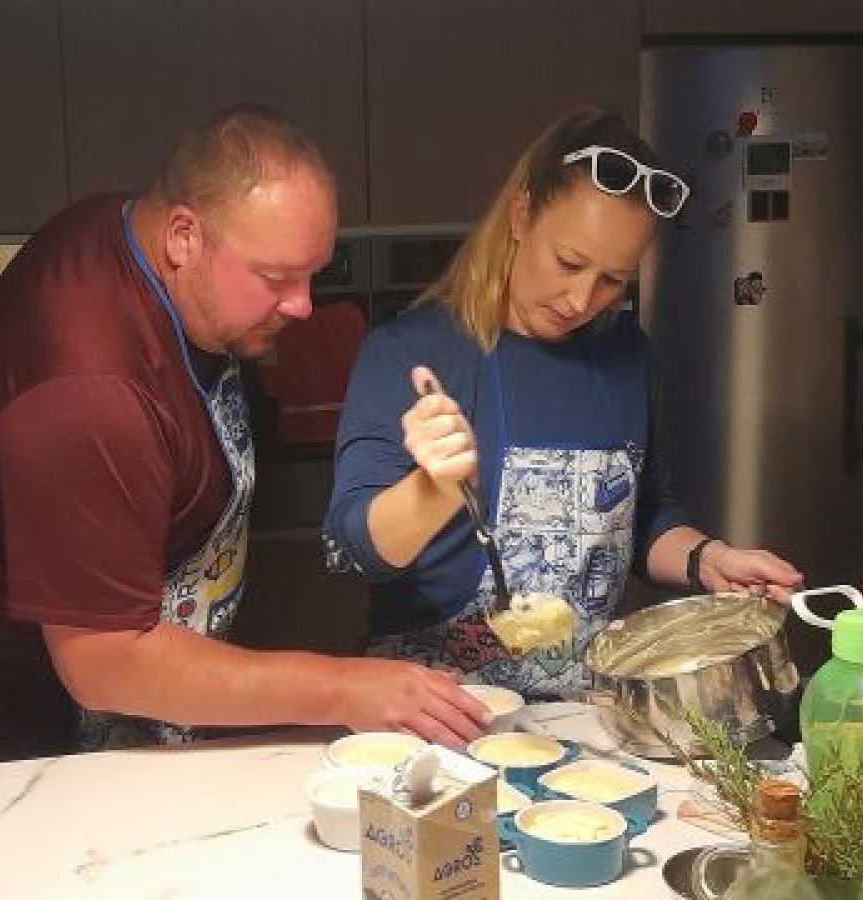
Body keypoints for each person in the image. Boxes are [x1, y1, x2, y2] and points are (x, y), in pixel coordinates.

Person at [0, 105, 489, 770]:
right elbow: (107, 662)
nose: (304, 306)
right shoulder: (93, 392)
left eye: (314, 274)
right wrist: (341, 687)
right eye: (276, 278)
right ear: (183, 236)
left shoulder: (136, 232)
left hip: (89, 703)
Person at [323, 107, 803, 699]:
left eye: (612, 280)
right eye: (570, 263)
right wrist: (432, 489)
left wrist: (707, 559)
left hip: (588, 713)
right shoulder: (410, 352)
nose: (581, 300)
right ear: (522, 213)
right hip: (435, 712)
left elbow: (646, 516)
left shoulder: (630, 359)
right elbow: (354, 549)